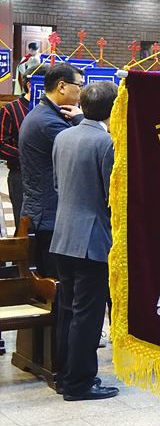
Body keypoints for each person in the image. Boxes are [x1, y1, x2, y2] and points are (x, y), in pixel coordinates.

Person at [51, 81, 120, 401]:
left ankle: (65, 377)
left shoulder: (63, 136)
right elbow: (112, 196)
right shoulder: (106, 142)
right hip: (92, 238)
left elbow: (57, 184)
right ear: (114, 110)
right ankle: (80, 383)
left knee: (68, 311)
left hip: (63, 234)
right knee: (88, 316)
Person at [19, 62, 84, 278]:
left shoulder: (46, 113)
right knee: (57, 285)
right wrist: (81, 120)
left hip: (45, 212)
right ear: (62, 86)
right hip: (49, 217)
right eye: (79, 86)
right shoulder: (48, 122)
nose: (81, 92)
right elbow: (82, 150)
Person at [0, 73, 31, 228]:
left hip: (48, 176)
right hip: (20, 174)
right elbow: (1, 144)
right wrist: (26, 156)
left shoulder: (55, 110)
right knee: (22, 224)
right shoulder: (11, 109)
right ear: (30, 85)